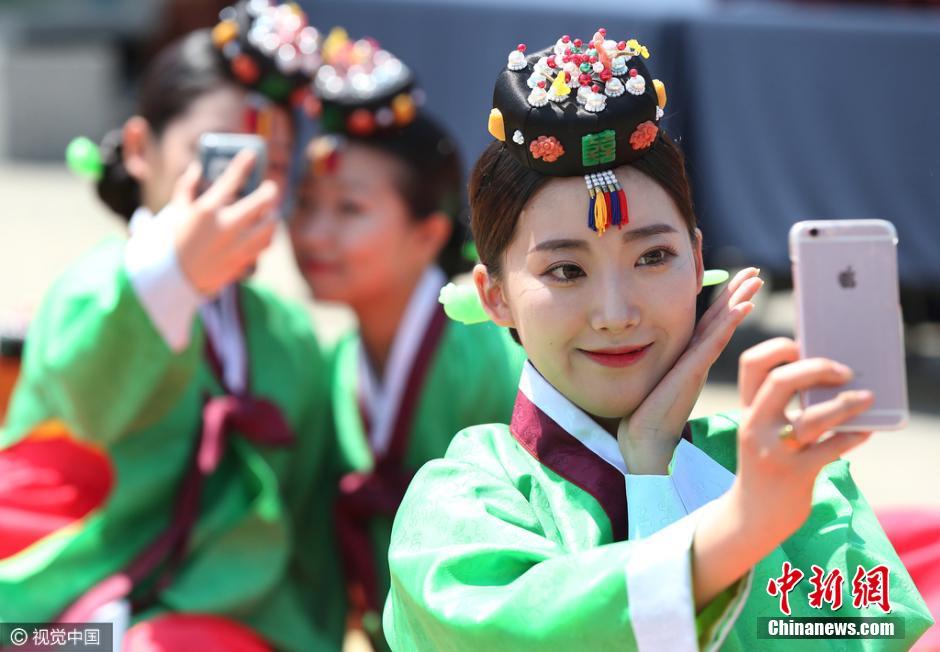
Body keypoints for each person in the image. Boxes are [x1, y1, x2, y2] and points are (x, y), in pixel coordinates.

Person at [382, 29, 934, 650]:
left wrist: (659, 459)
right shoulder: (462, 507)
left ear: (698, 262)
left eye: (653, 257)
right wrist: (736, 523)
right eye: (566, 270)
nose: (616, 314)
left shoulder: (787, 470)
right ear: (495, 295)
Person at [0, 4, 345, 650]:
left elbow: (308, 528)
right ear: (140, 149)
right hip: (58, 613)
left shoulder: (288, 337)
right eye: (217, 157)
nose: (243, 187)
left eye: (271, 164)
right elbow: (89, 404)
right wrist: (174, 273)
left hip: (232, 615)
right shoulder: (95, 291)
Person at [289, 30, 526, 648]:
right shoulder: (337, 364)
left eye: (349, 209)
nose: (312, 233)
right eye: (305, 203)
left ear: (428, 233)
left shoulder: (495, 352)